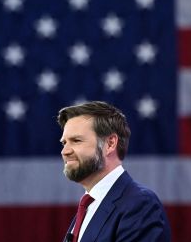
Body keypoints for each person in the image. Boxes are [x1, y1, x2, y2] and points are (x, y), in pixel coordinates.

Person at [57, 101, 171, 242]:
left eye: (76, 140)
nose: (65, 151)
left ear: (110, 144)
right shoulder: (88, 207)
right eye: (64, 143)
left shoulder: (140, 204)